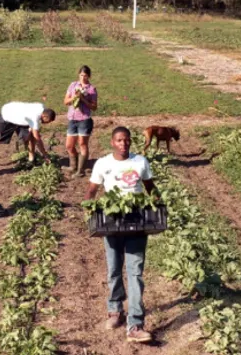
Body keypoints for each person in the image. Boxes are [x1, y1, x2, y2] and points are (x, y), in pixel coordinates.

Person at [84, 126, 156, 344]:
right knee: (114, 269)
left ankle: (135, 323)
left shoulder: (140, 162)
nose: (123, 144)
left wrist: (158, 205)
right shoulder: (103, 164)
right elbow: (92, 190)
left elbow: (150, 188)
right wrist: (88, 206)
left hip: (136, 221)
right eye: (119, 140)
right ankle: (115, 310)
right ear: (112, 142)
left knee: (135, 273)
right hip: (112, 221)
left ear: (130, 142)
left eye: (126, 140)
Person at [0, 101, 56, 168]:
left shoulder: (42, 107)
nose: (47, 123)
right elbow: (37, 138)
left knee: (30, 136)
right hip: (7, 115)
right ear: (44, 116)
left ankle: (31, 160)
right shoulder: (34, 117)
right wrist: (45, 155)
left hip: (22, 119)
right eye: (48, 121)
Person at [63, 65, 98, 178]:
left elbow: (94, 107)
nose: (83, 78)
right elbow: (66, 101)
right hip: (72, 119)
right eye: (81, 75)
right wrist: (74, 98)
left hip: (84, 119)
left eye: (86, 75)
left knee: (82, 143)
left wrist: (83, 99)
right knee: (69, 145)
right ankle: (73, 166)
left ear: (89, 76)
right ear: (79, 74)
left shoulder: (91, 89)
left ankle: (80, 170)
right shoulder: (73, 85)